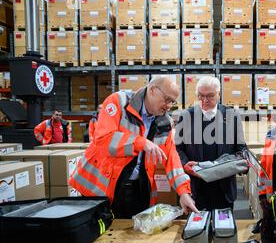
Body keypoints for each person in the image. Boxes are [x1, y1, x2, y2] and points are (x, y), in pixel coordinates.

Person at [69, 77, 198, 218]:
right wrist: (140, 142)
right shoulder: (119, 102)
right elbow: (102, 140)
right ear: (153, 90)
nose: (168, 106)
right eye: (167, 99)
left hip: (136, 188)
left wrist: (183, 192)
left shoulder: (164, 122)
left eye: (172, 102)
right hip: (100, 188)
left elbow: (171, 159)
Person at [175, 76, 247, 210]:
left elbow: (241, 148)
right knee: (196, 228)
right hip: (196, 186)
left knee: (224, 228)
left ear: (219, 95)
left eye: (210, 96)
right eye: (200, 96)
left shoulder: (232, 115)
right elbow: (177, 149)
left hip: (223, 187)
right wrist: (185, 164)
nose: (204, 100)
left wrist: (242, 162)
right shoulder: (186, 116)